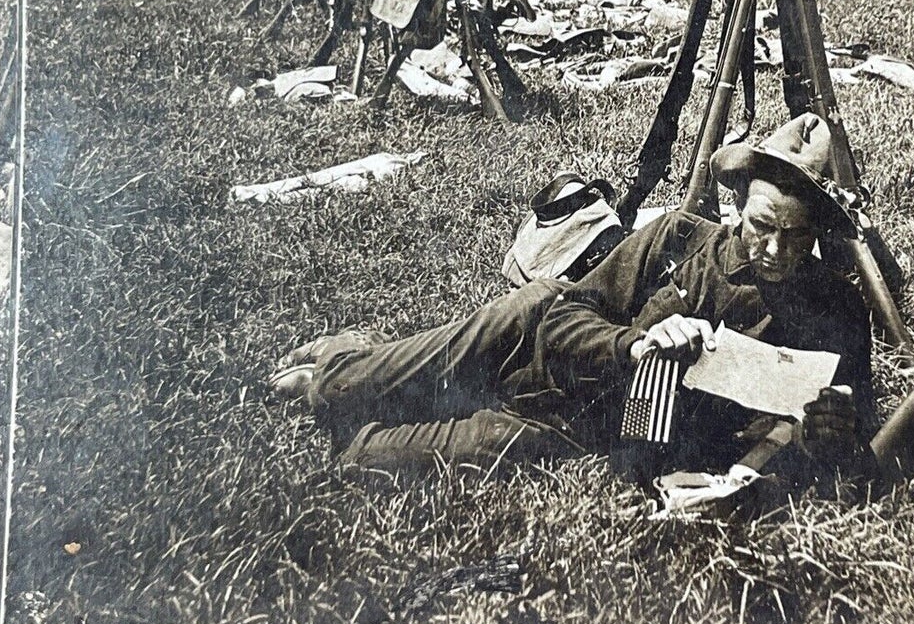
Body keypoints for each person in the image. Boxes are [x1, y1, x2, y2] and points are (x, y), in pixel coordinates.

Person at [272, 113, 878, 489]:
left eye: (796, 236)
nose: (774, 249)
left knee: (364, 456)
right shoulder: (679, 239)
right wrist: (635, 344)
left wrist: (833, 437)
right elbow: (565, 315)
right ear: (737, 205)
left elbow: (846, 436)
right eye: (761, 225)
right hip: (528, 333)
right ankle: (337, 370)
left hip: (574, 425)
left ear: (818, 234)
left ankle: (361, 376)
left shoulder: (835, 315)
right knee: (360, 385)